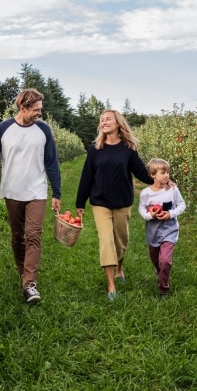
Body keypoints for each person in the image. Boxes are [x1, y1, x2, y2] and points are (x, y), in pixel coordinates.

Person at [0, 88, 61, 304]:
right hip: (13, 191)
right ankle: (22, 271)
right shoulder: (3, 129)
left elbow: (51, 162)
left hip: (37, 191)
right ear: (23, 108)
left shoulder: (44, 130)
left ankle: (30, 284)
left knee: (33, 234)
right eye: (35, 110)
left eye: (40, 110)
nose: (39, 114)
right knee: (17, 236)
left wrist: (57, 192)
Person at [75, 109, 154, 301]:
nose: (104, 122)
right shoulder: (95, 148)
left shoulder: (128, 148)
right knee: (106, 241)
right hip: (100, 201)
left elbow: (141, 174)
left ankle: (119, 268)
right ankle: (111, 286)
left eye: (108, 119)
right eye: (102, 120)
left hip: (122, 201)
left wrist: (162, 180)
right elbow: (87, 176)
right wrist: (80, 202)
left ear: (118, 123)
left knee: (121, 241)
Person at [138, 158, 186, 298]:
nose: (167, 175)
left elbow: (182, 205)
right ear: (153, 175)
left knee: (165, 261)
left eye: (168, 173)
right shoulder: (146, 193)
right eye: (163, 172)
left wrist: (170, 214)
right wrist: (150, 215)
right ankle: (160, 271)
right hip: (153, 233)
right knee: (156, 260)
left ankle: (163, 288)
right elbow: (141, 209)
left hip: (170, 231)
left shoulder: (172, 189)